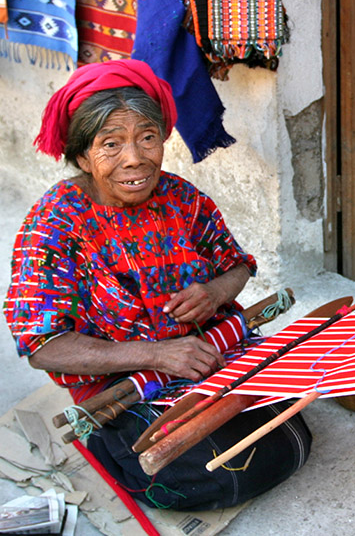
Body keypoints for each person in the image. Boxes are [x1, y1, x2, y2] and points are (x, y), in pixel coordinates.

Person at [3, 59, 311, 511]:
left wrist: (215, 293)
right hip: (125, 380)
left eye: (147, 138)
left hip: (205, 350)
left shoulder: (181, 198)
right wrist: (157, 354)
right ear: (83, 156)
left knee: (288, 425)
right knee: (210, 473)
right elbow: (43, 346)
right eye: (111, 144)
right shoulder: (53, 226)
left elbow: (238, 266)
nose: (136, 158)